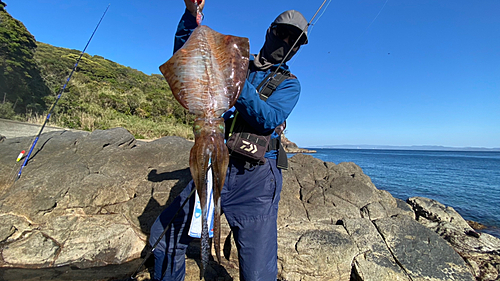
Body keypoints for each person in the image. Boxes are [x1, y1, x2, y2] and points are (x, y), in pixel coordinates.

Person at [149, 1, 309, 280]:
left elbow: (268, 118)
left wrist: (233, 79)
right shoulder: (236, 63)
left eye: (293, 40)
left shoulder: (289, 83)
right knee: (164, 237)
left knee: (257, 273)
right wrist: (191, 14)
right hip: (216, 163)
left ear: (297, 48)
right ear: (270, 30)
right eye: (281, 33)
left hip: (256, 180)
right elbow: (186, 55)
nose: (285, 42)